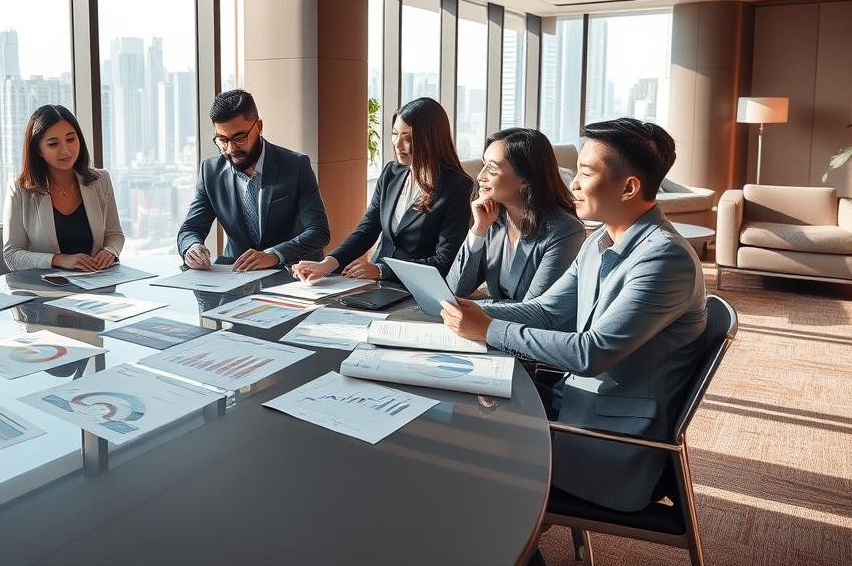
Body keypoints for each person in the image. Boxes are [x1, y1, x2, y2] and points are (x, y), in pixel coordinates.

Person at [440, 118, 706, 513]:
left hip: (610, 443)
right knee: (446, 414)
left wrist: (490, 328)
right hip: (571, 407)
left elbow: (590, 353)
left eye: (584, 173)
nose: (573, 185)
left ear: (629, 187)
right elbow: (547, 310)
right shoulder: (600, 239)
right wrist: (477, 311)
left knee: (450, 447)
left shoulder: (664, 258)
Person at [293, 97, 471, 284]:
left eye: (408, 138)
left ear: (431, 139)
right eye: (395, 134)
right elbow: (367, 229)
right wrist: (327, 264)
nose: (397, 144)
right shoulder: (391, 173)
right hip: (375, 284)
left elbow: (444, 261)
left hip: (417, 288)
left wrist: (381, 270)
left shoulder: (457, 187)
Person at [177, 89, 330, 271]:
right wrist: (192, 248)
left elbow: (318, 231)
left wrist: (273, 255)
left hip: (289, 275)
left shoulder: (296, 166)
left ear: (258, 126)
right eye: (222, 140)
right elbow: (190, 229)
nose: (231, 149)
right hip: (236, 275)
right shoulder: (209, 171)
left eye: (239, 138)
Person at [446, 128, 585, 302]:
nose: (480, 176)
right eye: (483, 165)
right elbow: (455, 289)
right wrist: (478, 229)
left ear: (525, 180)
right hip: (492, 324)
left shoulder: (565, 232)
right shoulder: (493, 218)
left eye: (492, 168)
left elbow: (535, 310)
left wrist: (476, 309)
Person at [3, 105, 124, 272]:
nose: (66, 150)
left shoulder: (100, 180)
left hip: (96, 282)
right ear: (38, 150)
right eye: (53, 144)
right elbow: (12, 255)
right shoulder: (20, 188)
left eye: (70, 139)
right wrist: (58, 260)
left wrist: (110, 251)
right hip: (45, 289)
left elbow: (114, 234)